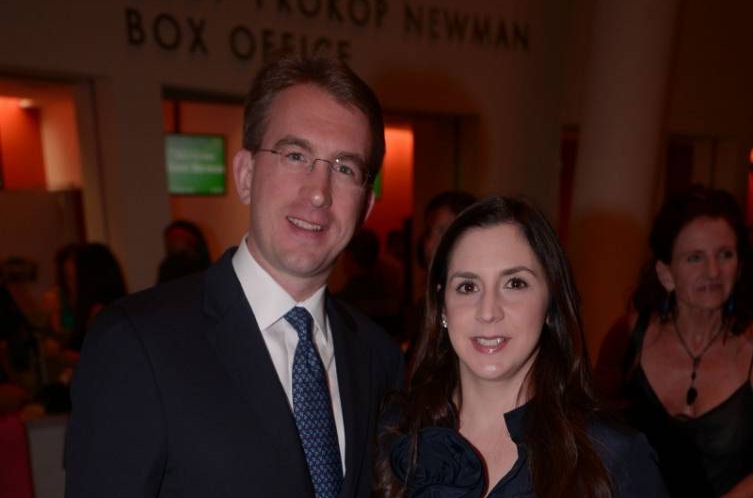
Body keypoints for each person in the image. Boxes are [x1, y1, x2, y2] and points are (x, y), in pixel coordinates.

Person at [64, 56, 404, 498]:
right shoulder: (136, 344)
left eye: (344, 168)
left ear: (366, 208)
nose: (318, 192)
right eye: (295, 155)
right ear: (245, 175)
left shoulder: (379, 358)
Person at [376, 196, 666, 497]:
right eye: (468, 287)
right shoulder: (392, 433)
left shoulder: (613, 456)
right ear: (442, 307)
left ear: (551, 302)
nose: (488, 311)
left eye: (514, 284)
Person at [607, 186, 753, 497]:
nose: (713, 271)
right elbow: (591, 436)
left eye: (725, 255)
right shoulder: (628, 336)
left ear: (739, 266)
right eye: (695, 257)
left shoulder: (750, 346)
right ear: (665, 272)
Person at [156, 220, 212, 284]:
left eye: (177, 237)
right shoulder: (167, 269)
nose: (175, 243)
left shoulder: (205, 265)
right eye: (172, 240)